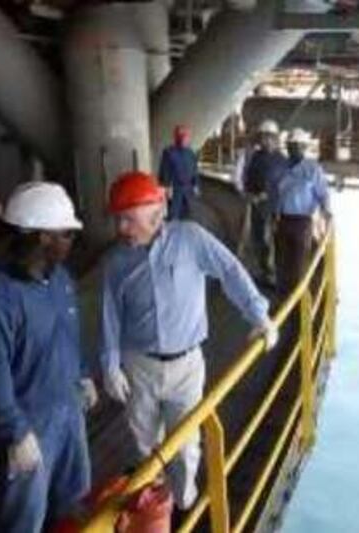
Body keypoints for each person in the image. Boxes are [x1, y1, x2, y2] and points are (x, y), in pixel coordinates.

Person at [99, 171, 279, 513]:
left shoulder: (190, 238)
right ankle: (155, 506)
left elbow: (229, 271)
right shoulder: (116, 262)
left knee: (186, 445)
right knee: (144, 445)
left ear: (154, 213)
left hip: (186, 366)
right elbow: (110, 315)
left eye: (127, 218)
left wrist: (259, 316)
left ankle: (185, 504)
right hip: (139, 367)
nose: (121, 228)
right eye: (118, 219)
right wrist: (110, 366)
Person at [0, 182, 96, 533]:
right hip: (27, 425)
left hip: (68, 410)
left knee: (72, 501)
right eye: (66, 234)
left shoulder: (60, 279)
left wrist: (82, 374)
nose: (72, 241)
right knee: (24, 518)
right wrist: (13, 433)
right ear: (41, 237)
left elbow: (66, 335)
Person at [274, 128, 332, 297]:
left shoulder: (312, 169)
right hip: (282, 220)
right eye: (291, 145)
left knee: (298, 264)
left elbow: (323, 193)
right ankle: (282, 297)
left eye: (297, 146)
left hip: (302, 222)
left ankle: (298, 299)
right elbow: (277, 193)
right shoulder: (282, 167)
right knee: (281, 262)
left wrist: (326, 212)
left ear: (304, 148)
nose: (293, 149)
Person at [243, 119, 288, 286]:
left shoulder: (282, 160)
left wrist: (267, 195)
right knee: (259, 239)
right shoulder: (256, 157)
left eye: (268, 137)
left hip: (274, 208)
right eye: (262, 137)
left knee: (272, 241)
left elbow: (284, 185)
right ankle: (265, 272)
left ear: (275, 139)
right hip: (258, 207)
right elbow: (249, 178)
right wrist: (250, 194)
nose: (265, 141)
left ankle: (275, 273)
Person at [159, 125, 200, 220]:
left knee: (188, 216)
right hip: (174, 190)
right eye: (181, 135)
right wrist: (166, 187)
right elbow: (164, 171)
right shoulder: (169, 152)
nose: (184, 138)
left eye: (186, 136)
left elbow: (194, 170)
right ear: (176, 137)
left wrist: (196, 184)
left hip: (188, 190)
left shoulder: (191, 153)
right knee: (173, 216)